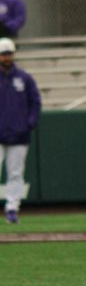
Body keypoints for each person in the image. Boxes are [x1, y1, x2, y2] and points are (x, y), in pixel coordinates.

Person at [0, 38, 41, 224]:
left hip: (18, 134)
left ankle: (12, 208)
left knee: (16, 173)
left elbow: (35, 102)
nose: (6, 57)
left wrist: (29, 123)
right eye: (3, 54)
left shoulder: (24, 78)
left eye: (9, 54)